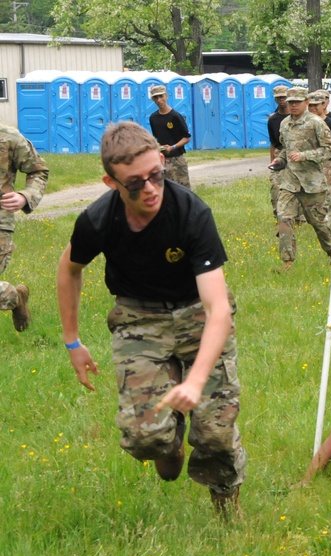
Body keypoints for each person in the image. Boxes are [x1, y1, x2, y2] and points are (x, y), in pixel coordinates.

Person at [56, 121, 245, 515]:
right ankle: (167, 442)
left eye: (155, 176)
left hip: (197, 313)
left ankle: (227, 511)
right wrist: (72, 341)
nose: (149, 189)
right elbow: (69, 268)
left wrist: (195, 381)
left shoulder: (192, 213)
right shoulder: (97, 220)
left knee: (214, 434)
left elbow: (217, 310)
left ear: (162, 161)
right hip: (139, 316)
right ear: (111, 183)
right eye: (134, 183)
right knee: (145, 439)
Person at [267, 87, 331, 270]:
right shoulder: (284, 124)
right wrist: (280, 158)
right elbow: (285, 148)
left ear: (306, 102)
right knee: (283, 217)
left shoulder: (316, 123)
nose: (293, 106)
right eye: (290, 102)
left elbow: (329, 149)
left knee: (319, 223)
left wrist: (305, 155)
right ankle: (287, 261)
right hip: (290, 181)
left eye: (297, 102)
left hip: (312, 183)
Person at [0, 123, 47, 333]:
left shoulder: (8, 136)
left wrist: (25, 196)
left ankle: (15, 298)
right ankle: (14, 296)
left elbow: (39, 171)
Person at [267, 85, 306, 228]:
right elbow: (273, 142)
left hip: (299, 155)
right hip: (281, 153)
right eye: (279, 98)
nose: (282, 101)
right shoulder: (274, 120)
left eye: (284, 98)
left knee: (300, 189)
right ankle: (281, 218)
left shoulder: (303, 119)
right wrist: (272, 163)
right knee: (276, 190)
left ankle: (300, 220)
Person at [308, 89, 331, 219]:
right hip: (310, 163)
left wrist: (325, 147)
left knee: (329, 194)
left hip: (327, 163)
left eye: (315, 105)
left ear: (323, 105)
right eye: (310, 105)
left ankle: (330, 218)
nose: (312, 108)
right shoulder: (306, 123)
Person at [148, 85, 192, 188]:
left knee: (183, 190)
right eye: (156, 98)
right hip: (162, 160)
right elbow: (156, 138)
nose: (159, 100)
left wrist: (173, 147)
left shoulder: (175, 116)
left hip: (177, 159)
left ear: (166, 96)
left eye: (161, 96)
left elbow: (186, 138)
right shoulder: (153, 118)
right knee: (165, 191)